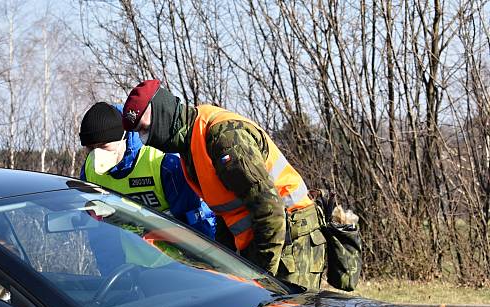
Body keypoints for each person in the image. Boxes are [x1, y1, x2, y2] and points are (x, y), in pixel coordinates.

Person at [122, 80, 325, 289]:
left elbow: (270, 209)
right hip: (263, 238)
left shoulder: (223, 138)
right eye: (138, 133)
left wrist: (261, 278)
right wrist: (223, 268)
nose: (144, 139)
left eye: (145, 129)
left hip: (292, 237)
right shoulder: (190, 145)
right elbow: (224, 212)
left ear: (162, 113)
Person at [79, 102, 215, 239]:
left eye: (104, 146)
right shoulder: (89, 171)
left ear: (123, 137)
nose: (97, 155)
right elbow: (98, 229)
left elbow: (194, 222)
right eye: (91, 148)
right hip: (130, 259)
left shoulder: (162, 163)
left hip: (176, 257)